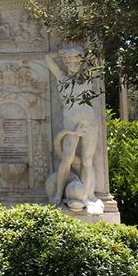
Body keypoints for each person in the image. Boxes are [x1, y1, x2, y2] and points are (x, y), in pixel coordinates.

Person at [45, 48, 98, 206]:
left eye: (77, 62)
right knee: (67, 158)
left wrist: (80, 51)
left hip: (88, 120)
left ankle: (86, 196)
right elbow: (47, 58)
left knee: (87, 160)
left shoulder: (86, 77)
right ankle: (58, 194)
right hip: (70, 120)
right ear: (66, 63)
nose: (74, 66)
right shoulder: (61, 77)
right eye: (71, 62)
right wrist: (61, 53)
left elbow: (95, 60)